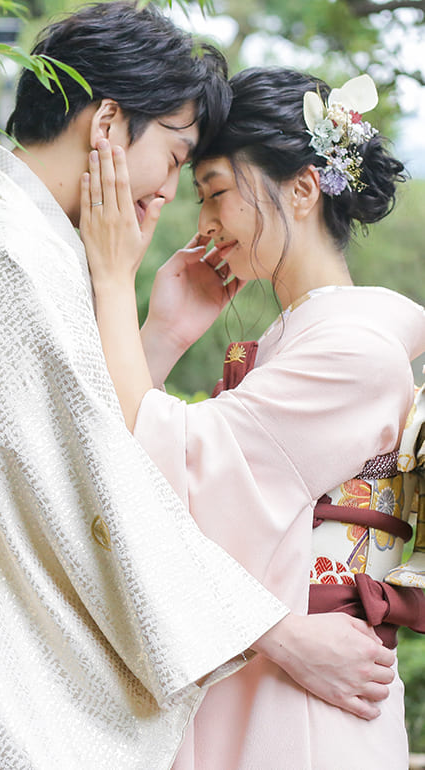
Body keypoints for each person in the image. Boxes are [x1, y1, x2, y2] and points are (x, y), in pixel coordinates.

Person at [0, 6, 394, 768]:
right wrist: (277, 634)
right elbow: (97, 493)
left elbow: (88, 457)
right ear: (109, 124)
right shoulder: (3, 251)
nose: (170, 194)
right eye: (176, 158)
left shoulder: (12, 240)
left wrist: (153, 332)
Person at [82, 66, 425, 768]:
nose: (204, 224)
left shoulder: (353, 351)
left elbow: (161, 477)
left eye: (215, 192)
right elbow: (136, 476)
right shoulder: (304, 340)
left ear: (302, 189)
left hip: (305, 712)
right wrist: (164, 334)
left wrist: (113, 277)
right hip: (278, 675)